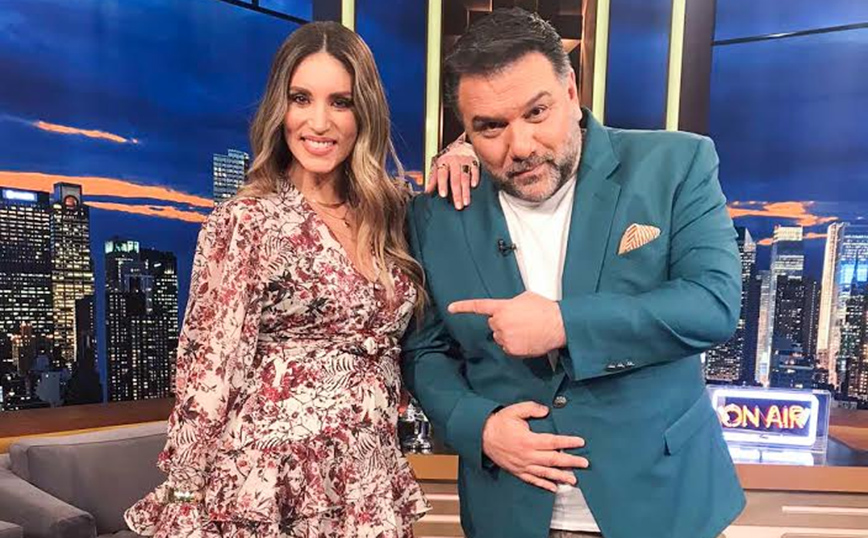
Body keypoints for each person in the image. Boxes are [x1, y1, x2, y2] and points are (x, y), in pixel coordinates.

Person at [402, 8, 745, 538]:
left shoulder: (676, 164)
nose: (520, 146)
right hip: (510, 513)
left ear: (570, 92)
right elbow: (425, 351)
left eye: (536, 112)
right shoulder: (435, 216)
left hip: (664, 506)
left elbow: (713, 304)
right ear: (465, 131)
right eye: (490, 127)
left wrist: (564, 323)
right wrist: (479, 426)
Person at [125, 21, 476, 538]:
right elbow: (209, 368)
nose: (319, 122)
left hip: (366, 477)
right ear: (280, 107)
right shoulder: (247, 221)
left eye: (340, 102)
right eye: (301, 98)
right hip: (269, 484)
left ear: (364, 112)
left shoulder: (391, 214)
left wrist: (462, 154)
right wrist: (183, 493)